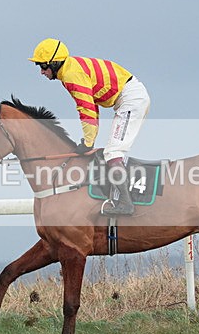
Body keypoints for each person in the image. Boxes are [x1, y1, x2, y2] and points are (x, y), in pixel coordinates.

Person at [29, 38, 150, 216]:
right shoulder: (68, 71)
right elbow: (92, 106)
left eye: (43, 66)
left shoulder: (71, 75)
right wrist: (89, 141)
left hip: (131, 99)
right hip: (127, 97)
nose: (41, 72)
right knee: (111, 152)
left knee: (113, 153)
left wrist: (87, 143)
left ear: (54, 63)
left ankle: (126, 203)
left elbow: (86, 110)